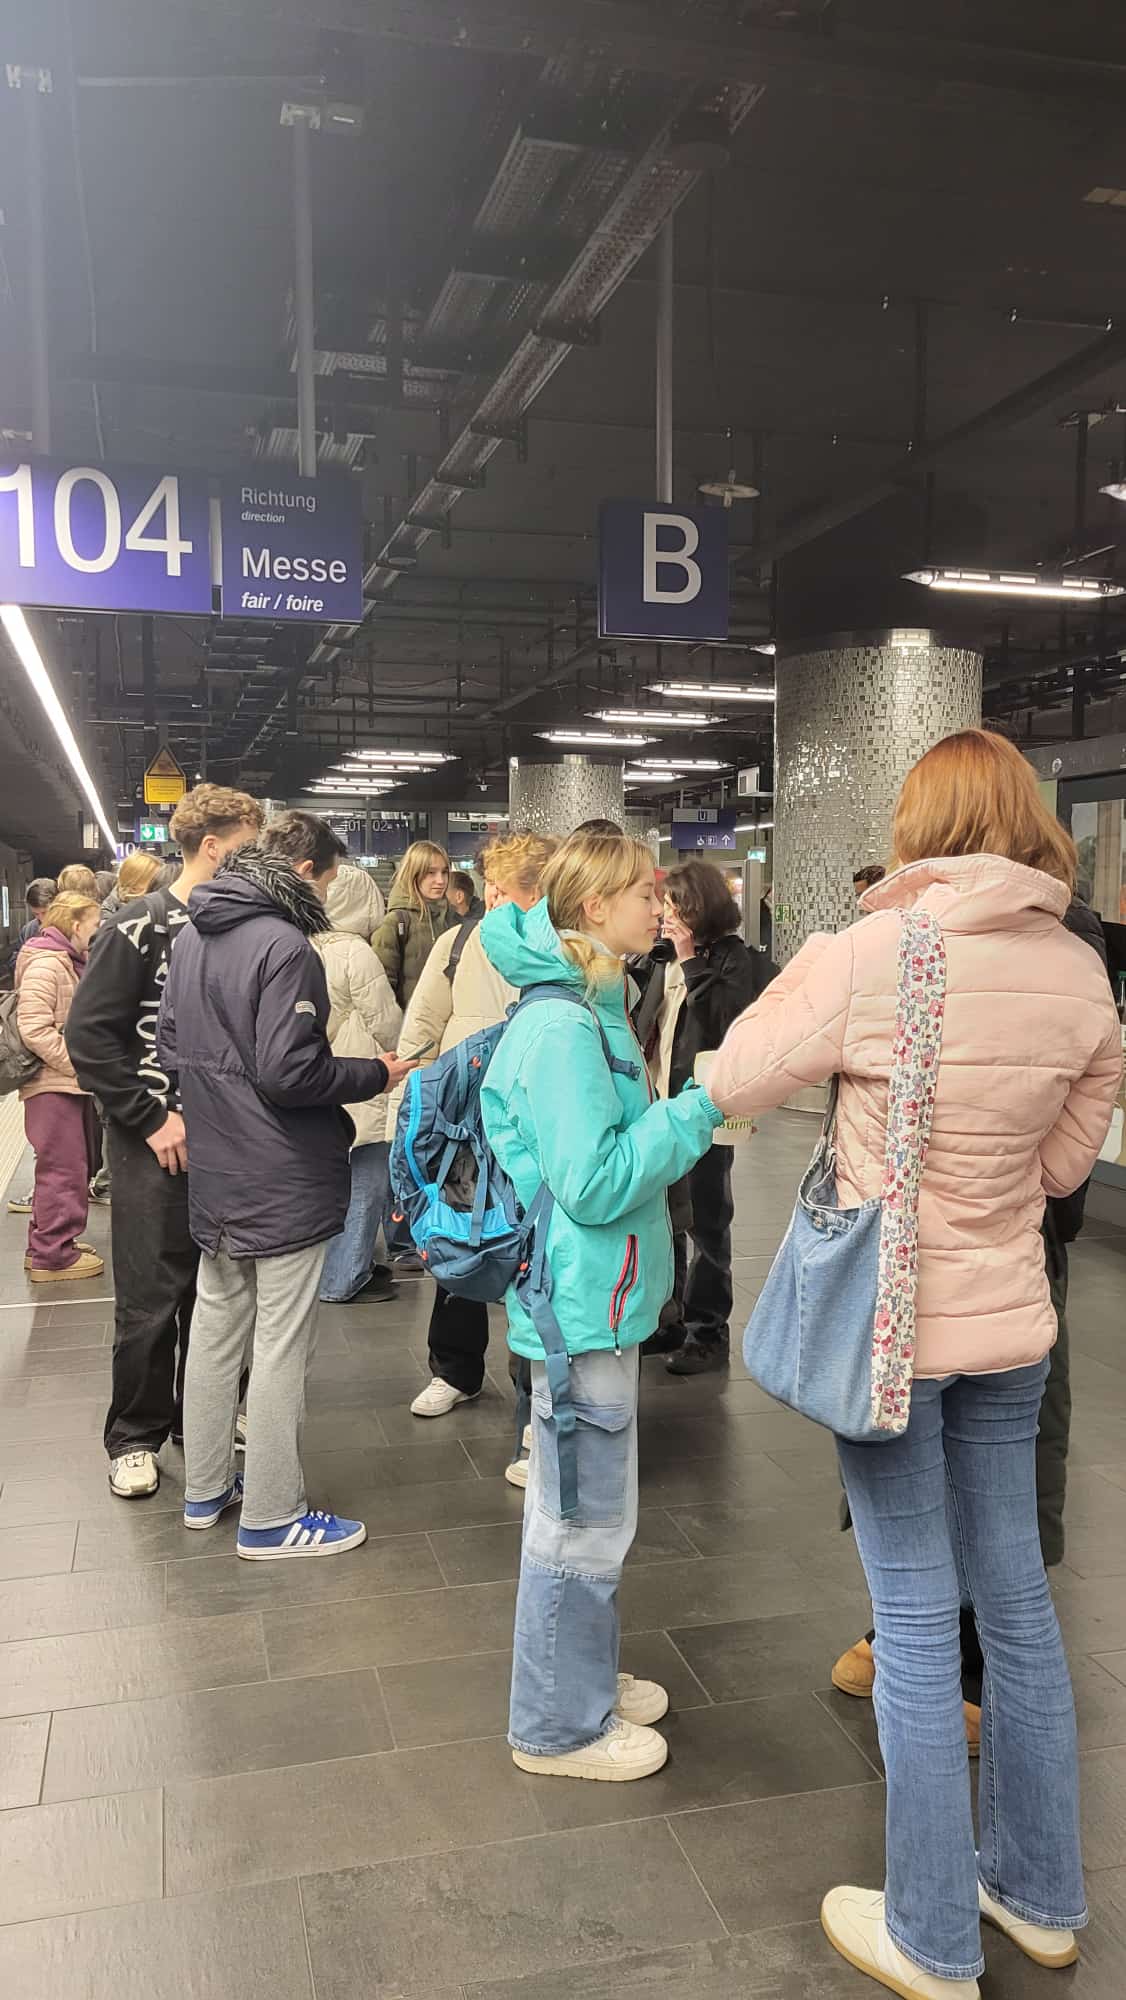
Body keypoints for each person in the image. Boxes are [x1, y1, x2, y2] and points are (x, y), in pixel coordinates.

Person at [709, 729, 1121, 1998]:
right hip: (1011, 1323)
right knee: (1016, 1602)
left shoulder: (876, 950)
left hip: (892, 1333)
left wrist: (825, 979)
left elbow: (734, 1076)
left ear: (920, 825)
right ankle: (1038, 1896)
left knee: (911, 1612)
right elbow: (1064, 1168)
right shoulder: (1080, 968)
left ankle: (932, 1933)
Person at [831, 891, 1114, 1736]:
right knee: (921, 1460)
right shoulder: (929, 932)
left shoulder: (1063, 937)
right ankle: (919, 1629)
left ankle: (973, 1662)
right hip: (922, 1250)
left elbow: (1064, 1154)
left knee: (1003, 1474)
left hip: (1008, 1250)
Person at [479, 830, 725, 1781]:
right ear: (593, 909)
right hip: (580, 1304)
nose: (657, 906)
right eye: (641, 893)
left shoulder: (592, 1004)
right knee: (579, 1521)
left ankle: (578, 1677)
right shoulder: (565, 1027)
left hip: (594, 1297)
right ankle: (558, 1724)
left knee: (588, 1509)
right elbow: (592, 1180)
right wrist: (696, 1110)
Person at [157, 811, 416, 1560]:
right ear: (304, 874)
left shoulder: (192, 933)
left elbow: (171, 1045)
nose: (329, 897)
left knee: (215, 1330)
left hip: (217, 1167)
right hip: (282, 1172)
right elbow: (289, 1072)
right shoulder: (285, 946)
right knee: (280, 1344)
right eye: (329, 882)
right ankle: (272, 1515)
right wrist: (373, 1073)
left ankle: (206, 1490)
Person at [67, 784, 264, 1500]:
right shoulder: (137, 926)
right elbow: (89, 1035)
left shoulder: (241, 928)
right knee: (151, 1297)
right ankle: (135, 1436)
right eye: (246, 849)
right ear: (212, 847)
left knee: (224, 1294)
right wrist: (149, 1118)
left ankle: (205, 1415)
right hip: (151, 1143)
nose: (257, 863)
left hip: (228, 1142)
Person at [390, 833, 556, 1442]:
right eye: (490, 888)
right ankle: (454, 1368)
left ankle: (534, 1393)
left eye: (505, 889)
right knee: (461, 1232)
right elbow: (423, 1021)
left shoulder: (562, 948)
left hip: (533, 1120)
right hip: (465, 1124)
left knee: (535, 1249)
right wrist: (405, 1103)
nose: (492, 900)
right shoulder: (458, 942)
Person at [635, 859, 775, 1374]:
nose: (665, 915)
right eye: (662, 905)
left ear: (699, 906)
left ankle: (707, 1333)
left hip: (707, 1109)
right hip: (659, 1104)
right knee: (664, 1217)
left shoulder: (734, 959)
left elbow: (726, 1024)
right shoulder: (660, 958)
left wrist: (692, 961)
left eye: (673, 906)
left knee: (707, 1222)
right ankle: (667, 1319)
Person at [312, 860, 403, 1306]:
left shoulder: (301, 943)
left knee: (328, 1184)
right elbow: (385, 1021)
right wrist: (406, 1055)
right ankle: (346, 1275)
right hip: (362, 1076)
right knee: (367, 1179)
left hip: (319, 1079)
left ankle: (328, 1270)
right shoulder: (355, 951)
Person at [16, 891, 103, 1282]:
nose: (98, 930)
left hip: (65, 1083)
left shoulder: (63, 960)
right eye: (95, 923)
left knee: (64, 1165)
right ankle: (53, 1257)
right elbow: (34, 1029)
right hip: (53, 1085)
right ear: (75, 923)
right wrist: (78, 1065)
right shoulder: (48, 964)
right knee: (64, 1169)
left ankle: (46, 1245)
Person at [373, 841, 454, 1009]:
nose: (440, 880)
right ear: (413, 874)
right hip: (408, 1019)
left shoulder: (450, 918)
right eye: (431, 873)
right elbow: (382, 989)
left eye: (444, 872)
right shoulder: (395, 923)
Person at [100, 852, 162, 920]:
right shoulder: (106, 918)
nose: (160, 885)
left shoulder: (157, 907)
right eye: (154, 881)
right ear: (134, 885)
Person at [18, 877, 58, 947]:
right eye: (36, 914)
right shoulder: (27, 931)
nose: (42, 919)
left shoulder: (70, 929)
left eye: (45, 913)